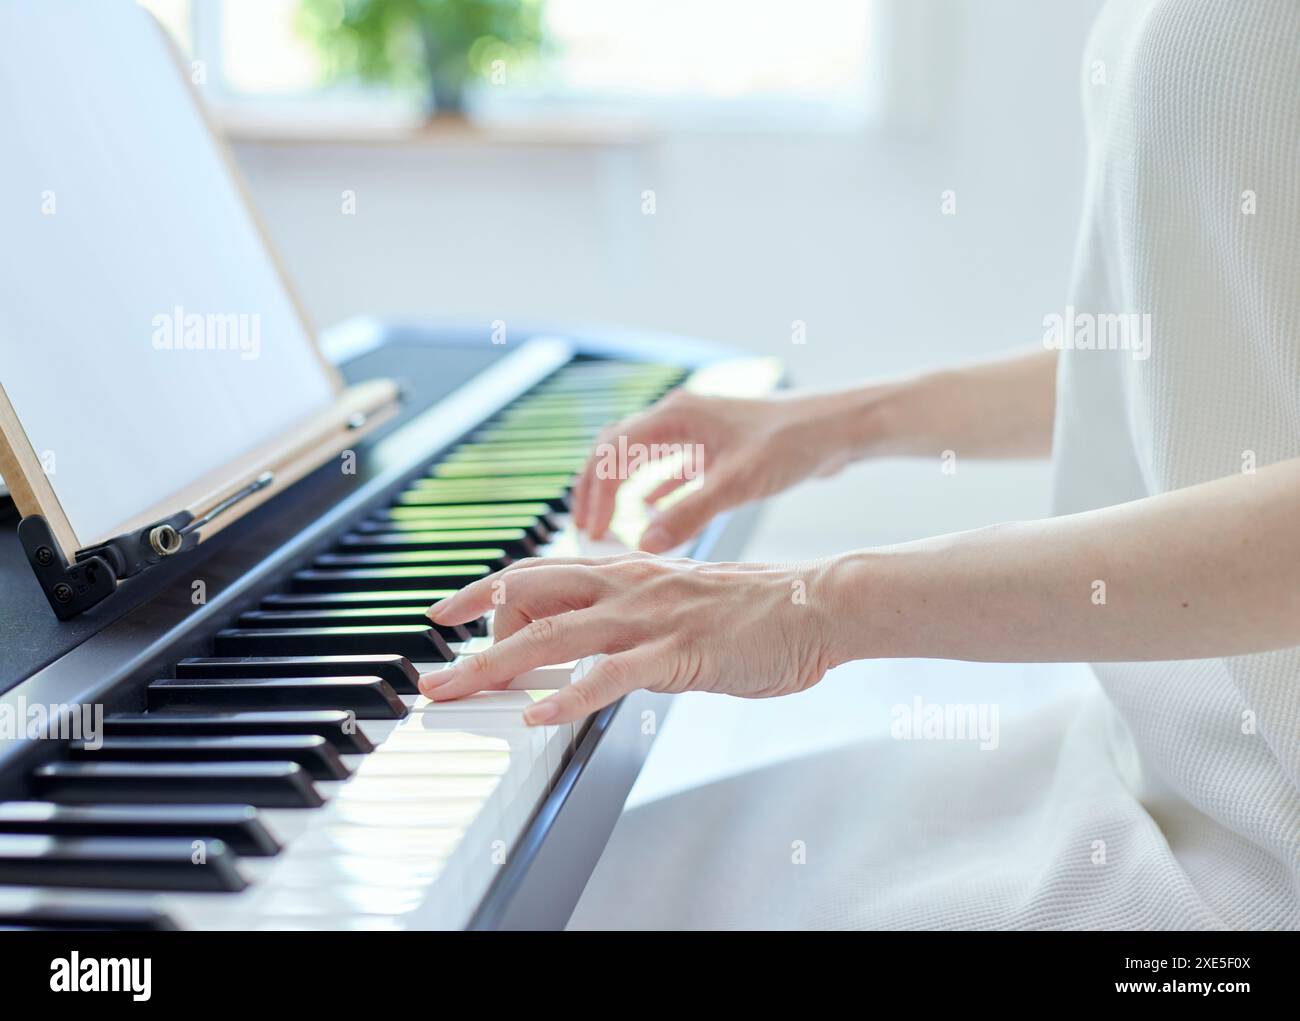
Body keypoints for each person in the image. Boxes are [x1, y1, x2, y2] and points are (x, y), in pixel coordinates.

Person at [421, 0, 1300, 929]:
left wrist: (814, 606)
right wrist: (828, 425)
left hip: (1252, 866)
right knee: (580, 892)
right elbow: (1193, 354)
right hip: (1150, 761)